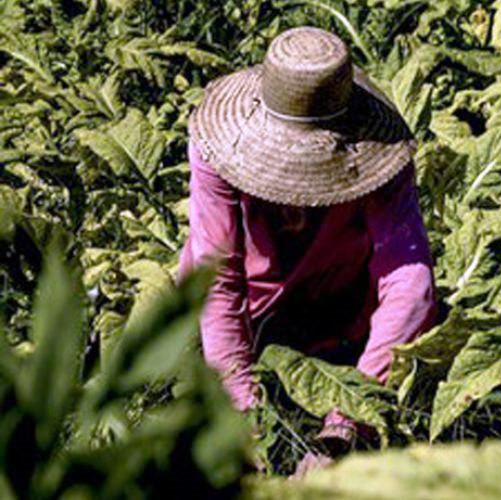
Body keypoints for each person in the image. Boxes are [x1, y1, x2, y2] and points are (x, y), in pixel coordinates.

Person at [177, 26, 437, 472]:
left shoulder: (384, 159)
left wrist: (347, 426)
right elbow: (216, 280)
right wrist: (246, 420)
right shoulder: (216, 153)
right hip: (246, 316)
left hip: (340, 312)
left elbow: (411, 284)